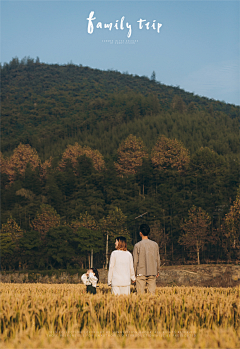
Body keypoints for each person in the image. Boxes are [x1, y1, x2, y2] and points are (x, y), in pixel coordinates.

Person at [133, 223, 160, 295]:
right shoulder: (155, 244)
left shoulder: (137, 245)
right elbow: (157, 259)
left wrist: (133, 273)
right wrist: (157, 270)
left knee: (140, 295)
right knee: (152, 295)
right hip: (152, 271)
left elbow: (135, 261)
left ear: (140, 233)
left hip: (140, 272)